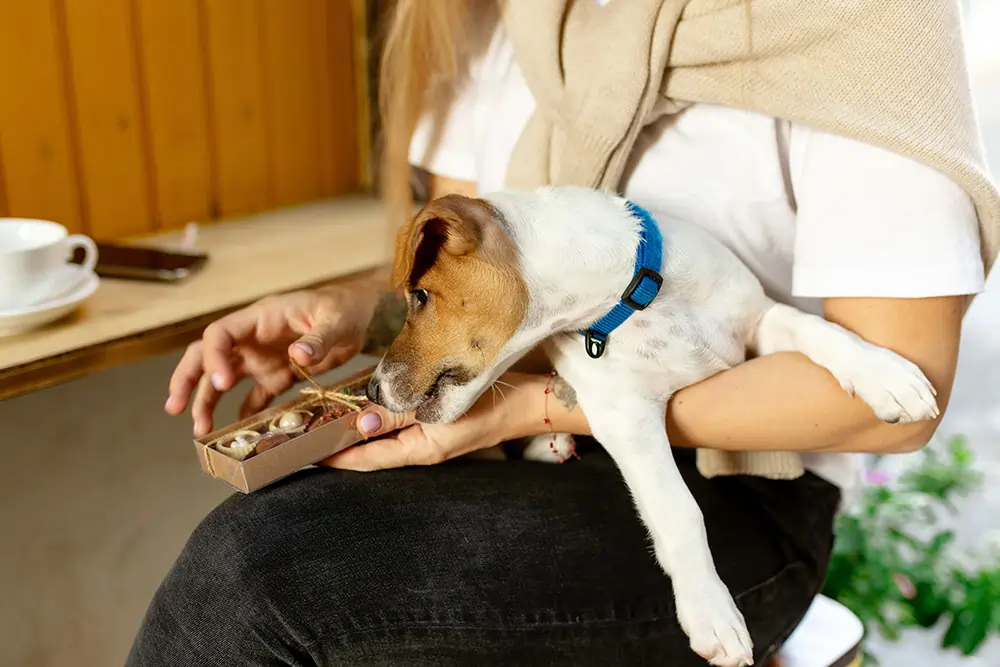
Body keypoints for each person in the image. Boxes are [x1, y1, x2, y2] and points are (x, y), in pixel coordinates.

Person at [128, 1, 993, 665]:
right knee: (278, 527)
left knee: (255, 577)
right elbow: (468, 269)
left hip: (739, 497)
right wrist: (361, 308)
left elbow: (896, 402)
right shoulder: (511, 22)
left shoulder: (861, 29)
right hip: (540, 445)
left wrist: (537, 409)